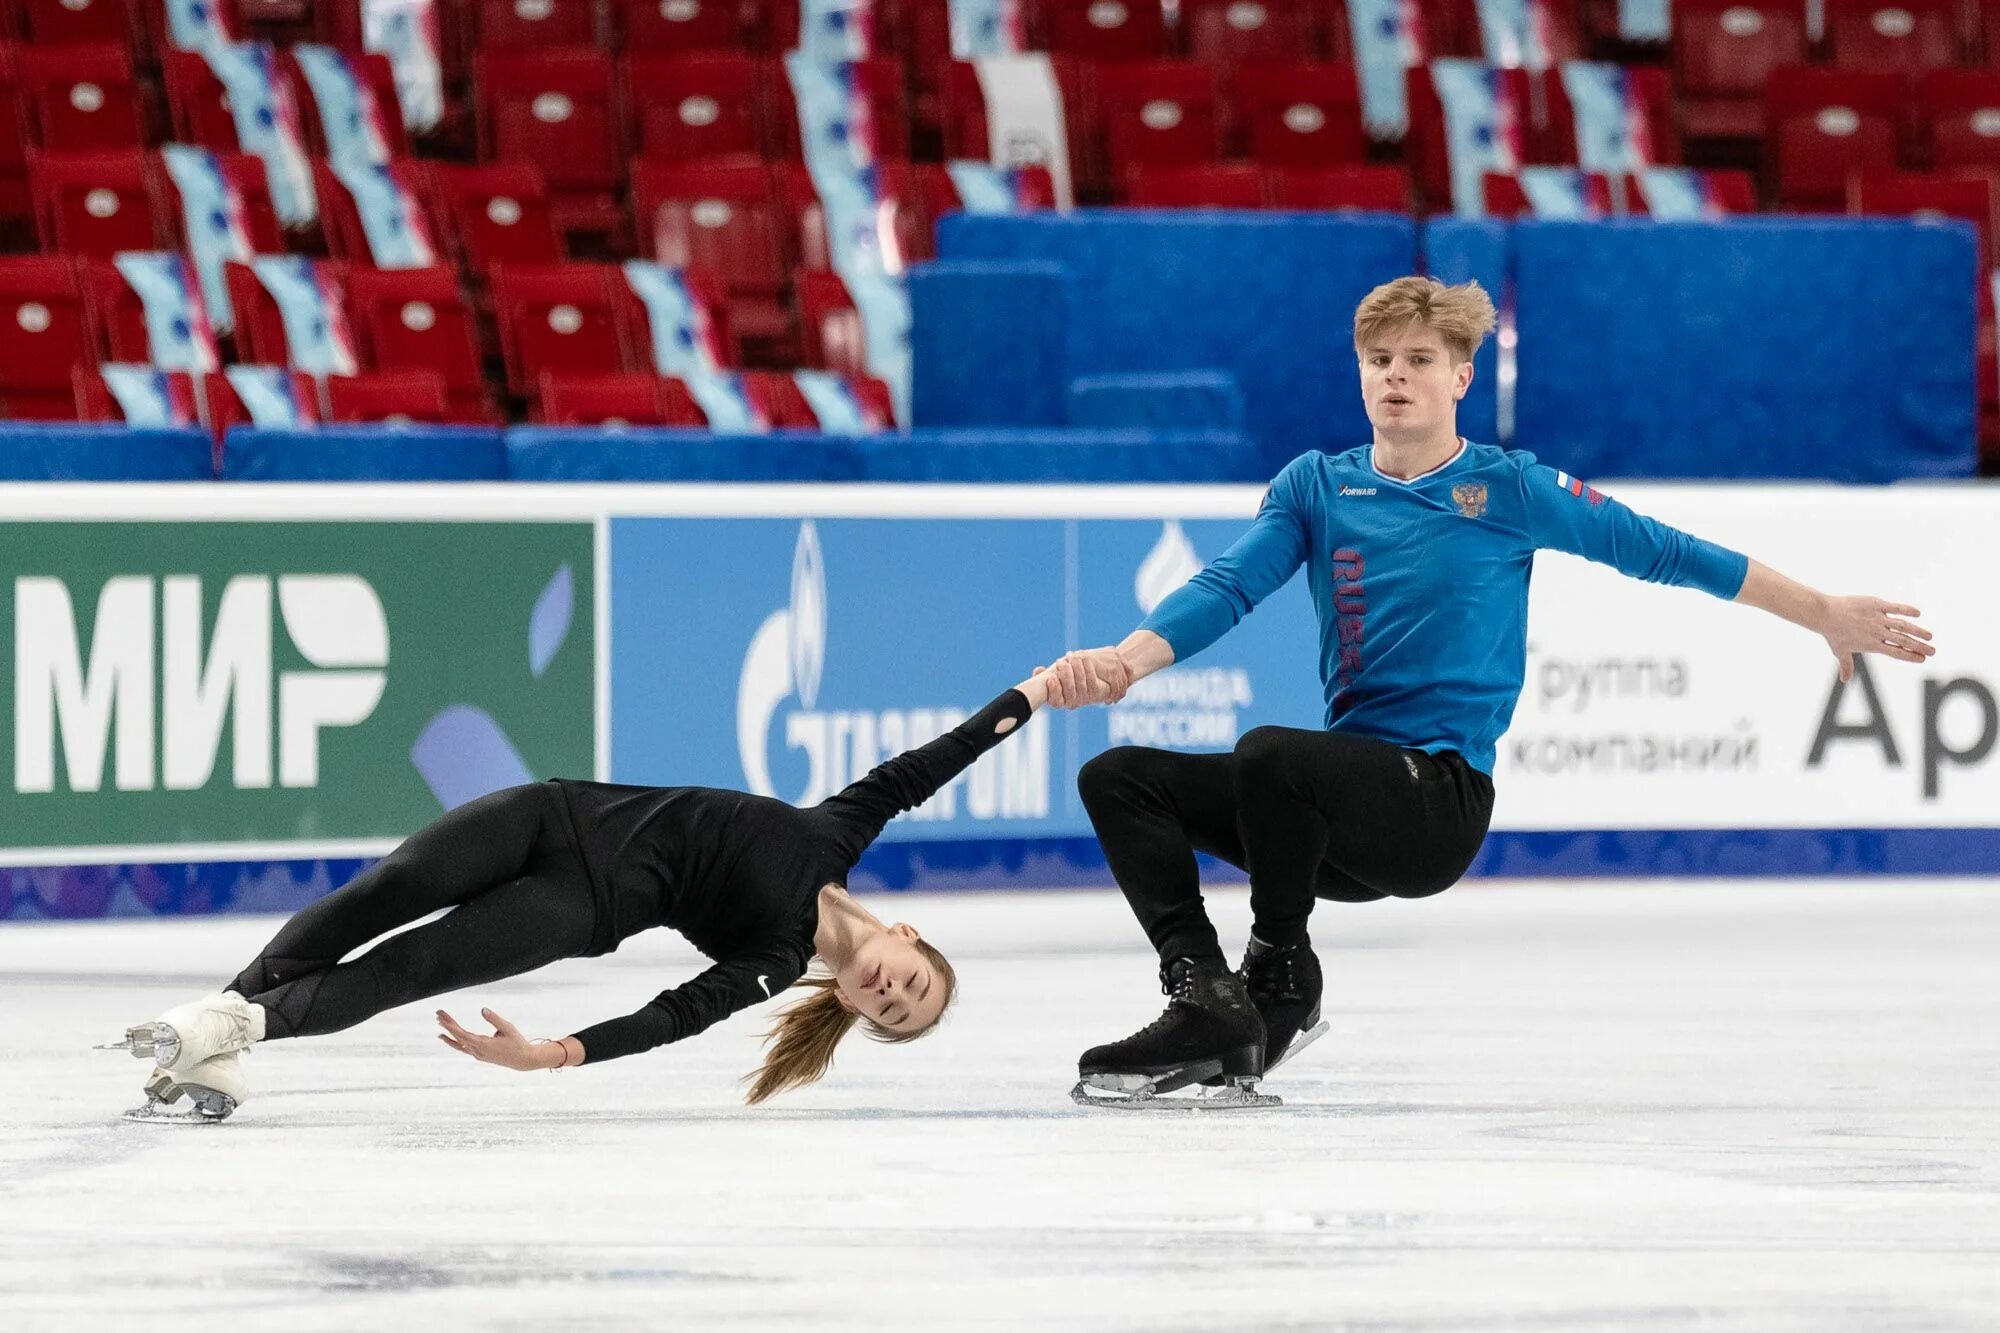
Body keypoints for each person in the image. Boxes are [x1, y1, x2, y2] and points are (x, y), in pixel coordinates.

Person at [1039, 276, 1937, 1103]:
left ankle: (1279, 975)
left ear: (1462, 376)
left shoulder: (1510, 488)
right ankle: (1204, 994)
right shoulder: (1317, 486)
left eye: (1419, 360)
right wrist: (1128, 659)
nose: (1396, 377)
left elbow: (1668, 552)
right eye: (1379, 360)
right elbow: (1228, 586)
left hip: (1432, 806)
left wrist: (1821, 609)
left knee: (1271, 755)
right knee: (1118, 779)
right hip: (1325, 820)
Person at [109, 673, 1053, 1121]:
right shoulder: (840, 831)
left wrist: (553, 1054)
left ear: (849, 1001)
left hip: (576, 912)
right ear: (908, 933)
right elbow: (932, 763)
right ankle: (220, 1024)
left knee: (406, 967)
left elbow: (674, 1015)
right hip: (552, 812)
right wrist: (1039, 691)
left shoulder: (770, 964)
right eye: (913, 982)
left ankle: (235, 1033)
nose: (892, 991)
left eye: (889, 1009)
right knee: (383, 891)